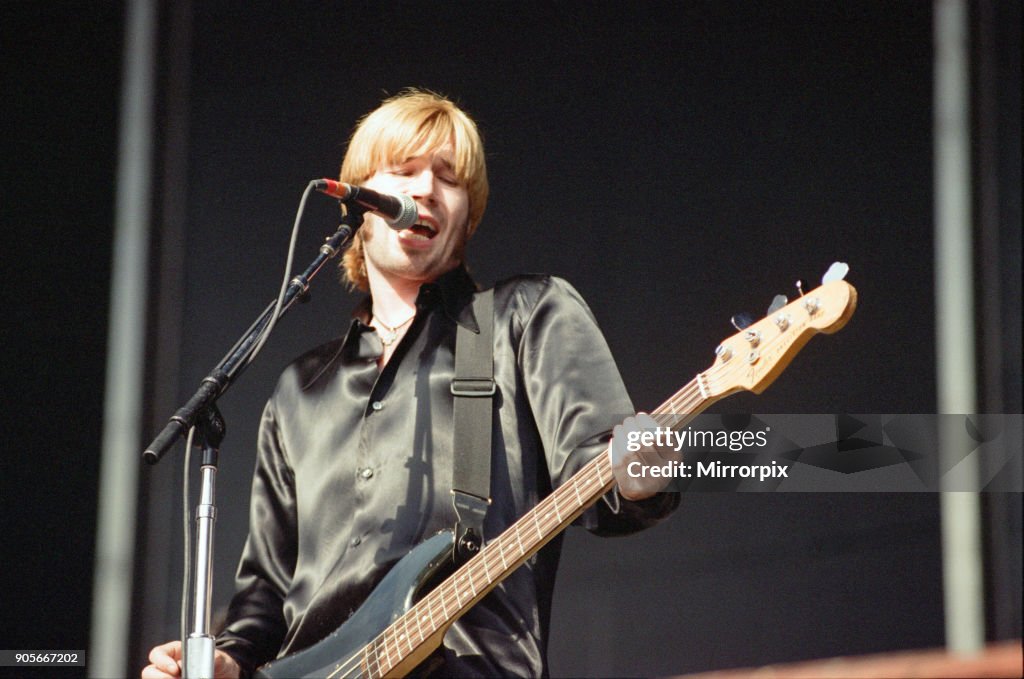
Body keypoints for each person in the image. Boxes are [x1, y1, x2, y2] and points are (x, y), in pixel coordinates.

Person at [143, 88, 678, 679]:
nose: (425, 189)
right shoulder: (301, 390)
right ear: (359, 204)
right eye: (404, 171)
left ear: (466, 215)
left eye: (449, 179)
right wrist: (226, 662)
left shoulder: (525, 318)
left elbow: (603, 475)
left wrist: (639, 477)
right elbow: (264, 599)